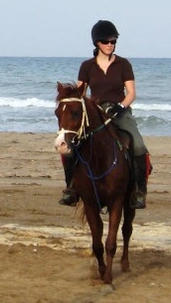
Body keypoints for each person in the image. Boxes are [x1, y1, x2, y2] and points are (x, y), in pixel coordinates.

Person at [58, 20, 151, 209]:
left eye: (113, 41)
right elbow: (80, 94)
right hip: (95, 112)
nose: (110, 44)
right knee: (70, 145)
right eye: (106, 41)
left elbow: (131, 93)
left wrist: (120, 107)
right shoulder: (87, 66)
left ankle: (138, 192)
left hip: (119, 111)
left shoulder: (124, 64)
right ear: (97, 43)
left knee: (138, 144)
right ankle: (71, 189)